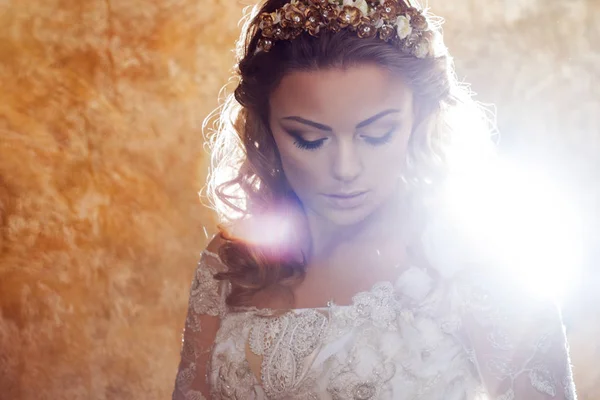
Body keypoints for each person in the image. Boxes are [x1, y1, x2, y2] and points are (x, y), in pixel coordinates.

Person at [172, 0, 578, 398]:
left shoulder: (482, 262)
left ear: (420, 119)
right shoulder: (232, 263)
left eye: (376, 134)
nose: (346, 169)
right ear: (265, 130)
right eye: (309, 139)